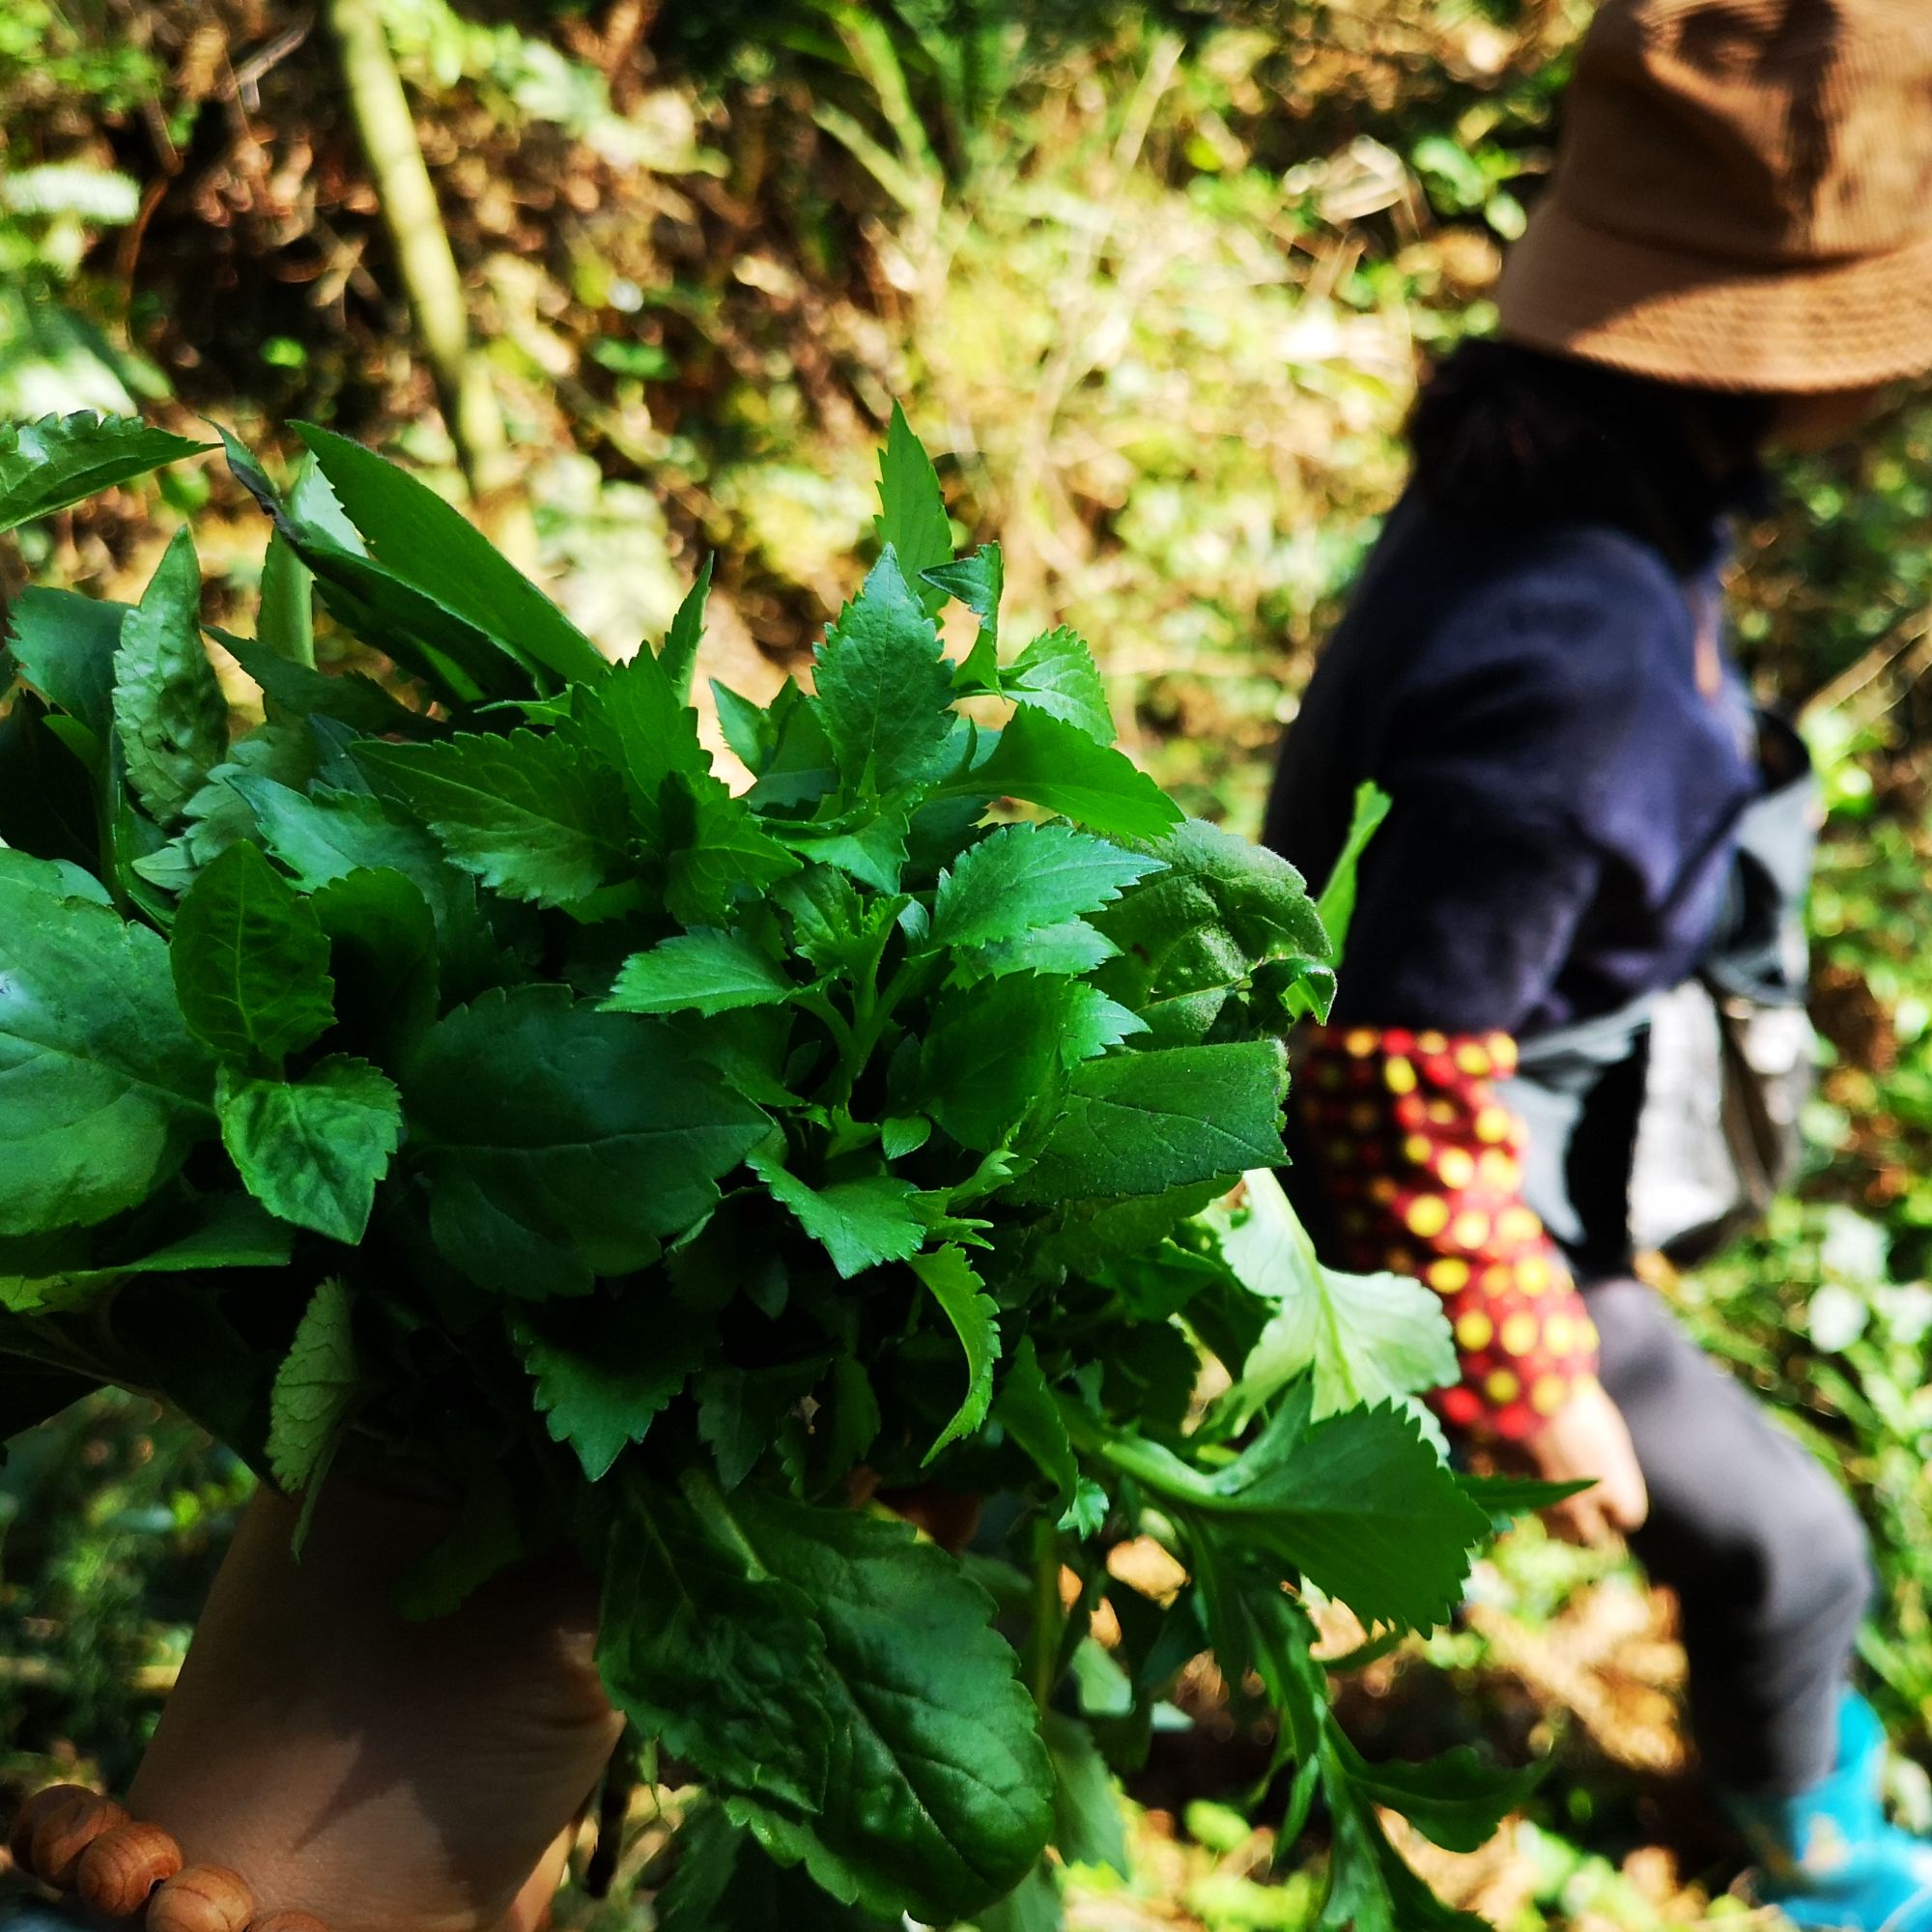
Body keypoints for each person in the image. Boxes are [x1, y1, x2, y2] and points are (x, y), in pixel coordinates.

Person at [1263, 1, 1932, 1925]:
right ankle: (1824, 1857)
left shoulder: (1540, 481)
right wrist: (1535, 1374)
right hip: (1437, 1197)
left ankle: (1797, 1770)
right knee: (1793, 1550)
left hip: (1504, 1131)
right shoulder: (1582, 657)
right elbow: (1397, 1077)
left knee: (1772, 1539)